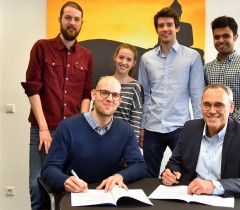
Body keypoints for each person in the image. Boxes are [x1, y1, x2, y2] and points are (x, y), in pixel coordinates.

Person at [21, 2, 93, 209]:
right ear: (60, 20)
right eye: (68, 18)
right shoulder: (41, 47)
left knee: (69, 186)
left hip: (71, 132)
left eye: (76, 19)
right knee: (37, 185)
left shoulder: (87, 56)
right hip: (43, 129)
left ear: (81, 23)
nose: (72, 23)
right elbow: (32, 88)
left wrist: (82, 127)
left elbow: (86, 93)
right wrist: (44, 128)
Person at [41, 76, 146, 194]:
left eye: (115, 95)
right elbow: (48, 169)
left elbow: (139, 165)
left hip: (108, 195)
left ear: (120, 100)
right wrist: (65, 181)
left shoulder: (125, 130)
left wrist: (120, 176)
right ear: (93, 95)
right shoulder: (67, 127)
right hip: (76, 196)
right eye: (104, 93)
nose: (110, 99)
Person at [161, 83, 240, 197]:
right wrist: (170, 173)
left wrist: (215, 186)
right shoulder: (189, 129)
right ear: (201, 106)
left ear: (231, 107)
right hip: (191, 199)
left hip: (226, 200)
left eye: (219, 105)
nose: (212, 111)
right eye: (207, 105)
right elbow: (175, 163)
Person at [138, 7, 205, 178]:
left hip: (180, 127)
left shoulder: (192, 56)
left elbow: (197, 95)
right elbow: (143, 95)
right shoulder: (147, 59)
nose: (165, 29)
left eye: (169, 24)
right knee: (148, 177)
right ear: (157, 29)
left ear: (177, 27)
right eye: (161, 26)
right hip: (152, 127)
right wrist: (142, 127)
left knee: (181, 176)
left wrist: (199, 129)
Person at [204, 16, 240, 127]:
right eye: (216, 37)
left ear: (235, 37)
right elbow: (205, 101)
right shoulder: (207, 68)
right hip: (215, 129)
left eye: (226, 36)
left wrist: (228, 122)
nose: (220, 40)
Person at [112, 43, 143, 139]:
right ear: (115, 57)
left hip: (123, 140)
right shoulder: (104, 82)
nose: (124, 62)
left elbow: (136, 119)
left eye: (129, 59)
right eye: (121, 57)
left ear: (133, 63)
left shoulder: (135, 86)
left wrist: (133, 145)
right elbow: (95, 112)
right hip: (100, 138)